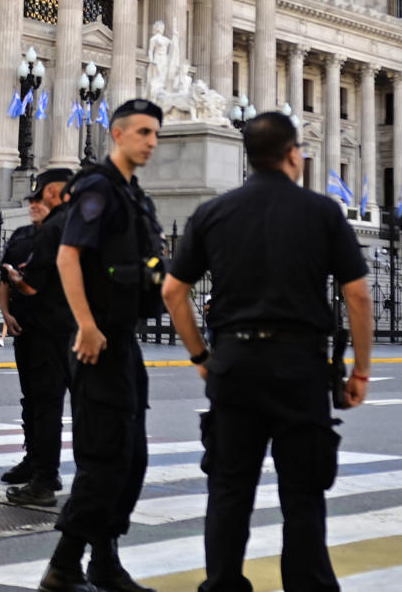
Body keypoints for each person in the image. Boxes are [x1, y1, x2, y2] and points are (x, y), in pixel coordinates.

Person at [164, 110, 371, 592]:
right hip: (300, 365)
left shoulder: (213, 213)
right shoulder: (322, 212)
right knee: (302, 492)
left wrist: (200, 356)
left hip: (235, 363)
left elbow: (174, 291)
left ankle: (222, 583)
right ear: (293, 155)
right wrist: (360, 370)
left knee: (230, 488)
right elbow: (358, 295)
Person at [40, 98, 165, 592]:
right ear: (117, 134)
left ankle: (105, 560)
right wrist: (86, 325)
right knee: (106, 457)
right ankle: (65, 566)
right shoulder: (96, 188)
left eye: (155, 133)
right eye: (142, 132)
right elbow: (69, 257)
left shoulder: (134, 195)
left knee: (130, 457)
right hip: (97, 341)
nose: (151, 141)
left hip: (123, 340)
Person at [1, 167, 76, 508]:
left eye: (39, 197)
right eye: (30, 200)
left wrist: (18, 281)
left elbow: (28, 283)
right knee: (33, 400)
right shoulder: (23, 235)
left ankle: (45, 477)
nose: (34, 204)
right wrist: (6, 313)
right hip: (34, 328)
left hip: (53, 329)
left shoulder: (58, 231)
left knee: (47, 404)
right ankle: (35, 463)